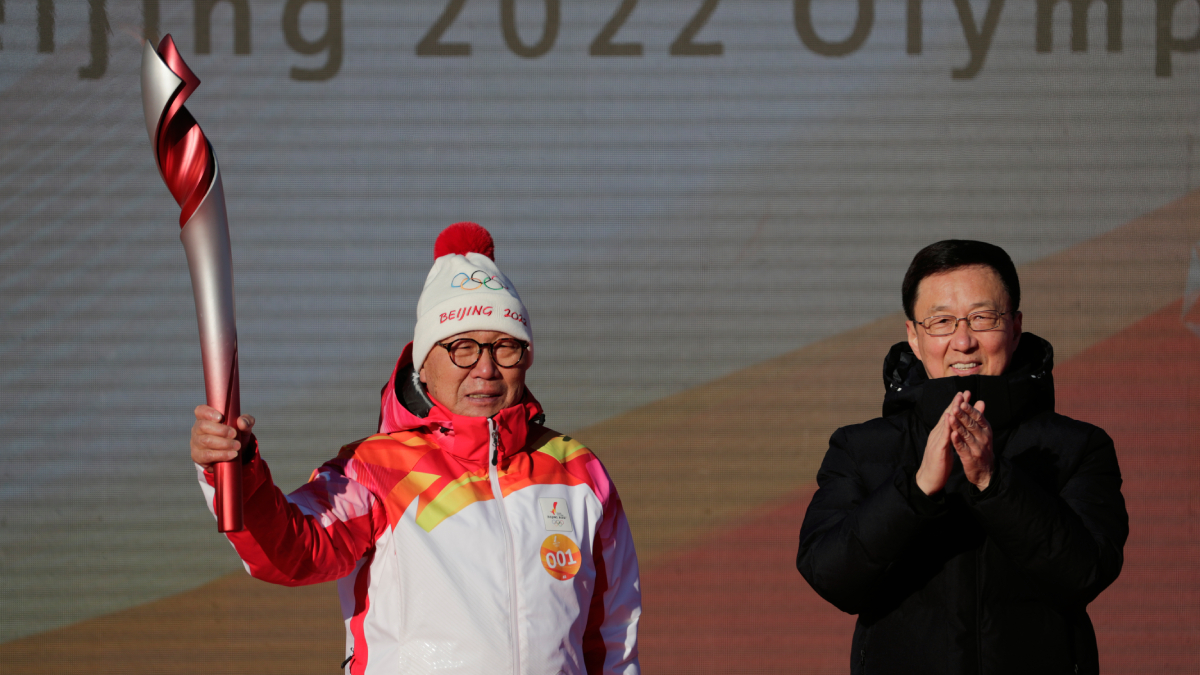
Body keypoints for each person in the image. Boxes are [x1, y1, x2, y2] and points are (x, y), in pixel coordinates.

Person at [190, 223, 641, 674]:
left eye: (505, 347)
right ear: (423, 365)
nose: (485, 369)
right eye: (462, 348)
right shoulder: (373, 469)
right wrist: (235, 472)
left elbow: (613, 637)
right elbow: (292, 551)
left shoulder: (576, 470)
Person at [796, 240, 1128, 675]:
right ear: (914, 337)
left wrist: (994, 482)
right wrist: (914, 491)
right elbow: (831, 577)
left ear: (1015, 327)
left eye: (982, 317)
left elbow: (1086, 573)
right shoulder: (859, 448)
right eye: (941, 322)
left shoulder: (1077, 446)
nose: (964, 341)